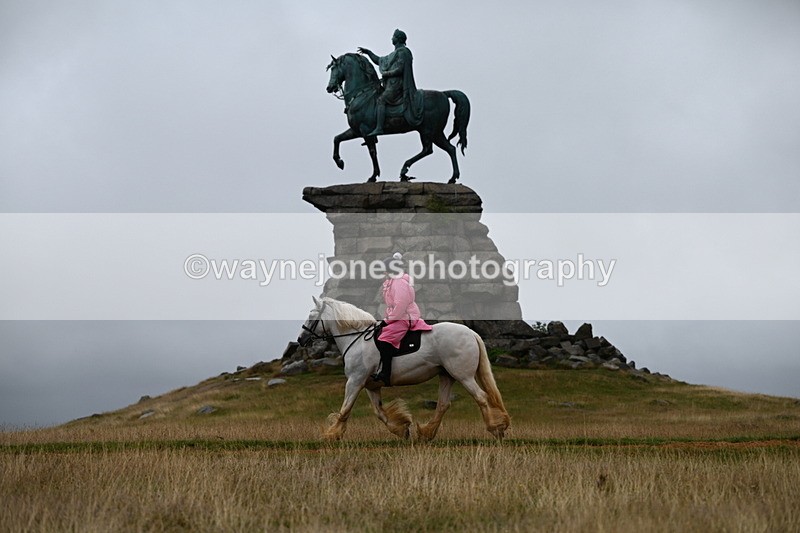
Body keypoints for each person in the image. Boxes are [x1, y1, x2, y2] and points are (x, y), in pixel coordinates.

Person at [372, 252, 432, 385]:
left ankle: (386, 374)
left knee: (384, 339)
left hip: (404, 317)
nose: (383, 272)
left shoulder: (399, 283)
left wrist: (387, 320)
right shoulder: (392, 282)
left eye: (385, 270)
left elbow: (400, 306)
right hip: (399, 316)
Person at [358, 29, 424, 136]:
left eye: (393, 36)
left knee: (381, 100)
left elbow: (400, 69)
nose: (391, 38)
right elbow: (379, 60)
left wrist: (387, 74)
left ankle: (379, 128)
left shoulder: (404, 52)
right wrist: (368, 52)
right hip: (390, 84)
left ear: (397, 39)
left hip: (397, 85)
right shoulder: (393, 54)